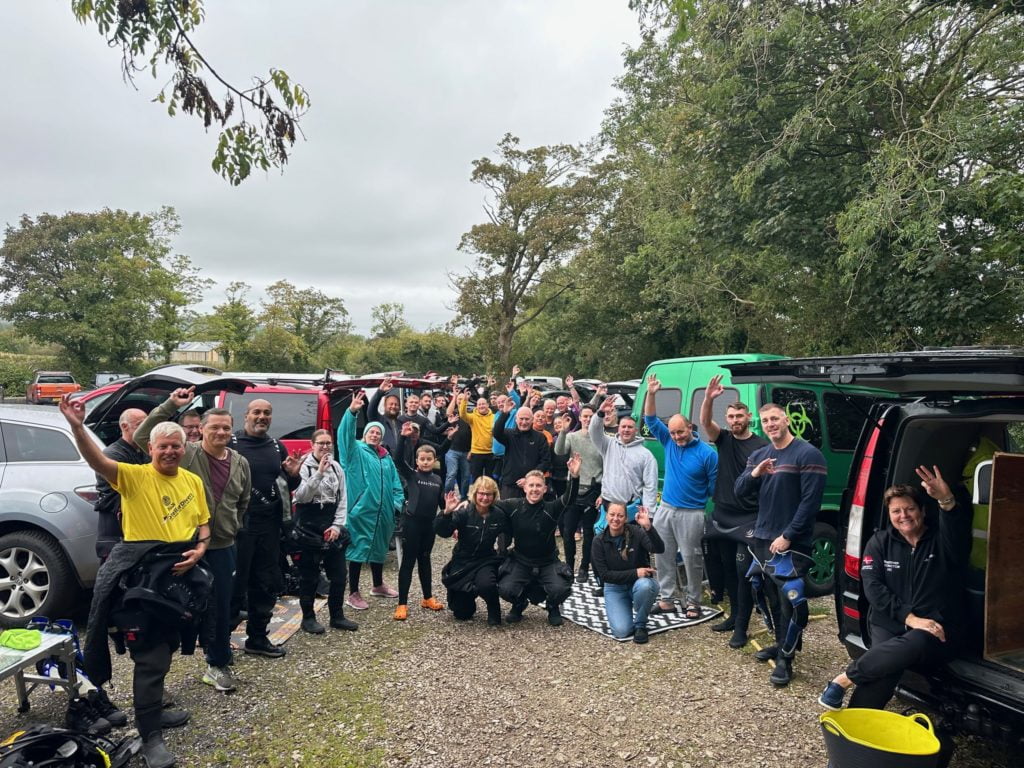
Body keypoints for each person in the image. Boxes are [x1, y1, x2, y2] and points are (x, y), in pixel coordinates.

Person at [61, 395, 209, 768]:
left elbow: (203, 521)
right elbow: (99, 461)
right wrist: (78, 427)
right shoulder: (135, 476)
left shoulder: (192, 480)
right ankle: (150, 736)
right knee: (150, 657)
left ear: (185, 446)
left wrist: (202, 548)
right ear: (150, 449)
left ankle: (154, 711)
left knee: (168, 645)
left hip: (178, 578)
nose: (170, 452)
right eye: (163, 446)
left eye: (176, 445)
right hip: (142, 580)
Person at [819, 468, 971, 711]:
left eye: (910, 508)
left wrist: (945, 499)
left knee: (917, 641)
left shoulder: (942, 540)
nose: (904, 515)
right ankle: (858, 728)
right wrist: (909, 618)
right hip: (888, 622)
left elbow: (958, 531)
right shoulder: (879, 543)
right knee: (885, 670)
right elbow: (873, 588)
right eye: (896, 511)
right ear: (889, 515)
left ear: (922, 510)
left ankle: (844, 679)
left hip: (936, 626)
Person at [135, 389, 252, 693]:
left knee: (222, 606)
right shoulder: (187, 453)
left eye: (226, 427)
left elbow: (243, 500)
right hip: (184, 545)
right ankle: (157, 676)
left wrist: (233, 524)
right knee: (174, 606)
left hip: (223, 545)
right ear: (201, 429)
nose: (221, 432)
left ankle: (218, 662)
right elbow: (142, 437)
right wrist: (172, 405)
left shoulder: (240, 462)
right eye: (214, 427)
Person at [735, 402, 827, 687]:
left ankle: (787, 659)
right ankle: (779, 641)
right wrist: (755, 474)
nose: (770, 424)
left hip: (791, 541)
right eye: (765, 421)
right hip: (763, 538)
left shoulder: (808, 454)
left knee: (792, 600)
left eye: (775, 418)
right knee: (766, 594)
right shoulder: (761, 455)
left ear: (786, 420)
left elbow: (810, 503)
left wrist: (788, 535)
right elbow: (739, 491)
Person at [699, 376, 768, 649]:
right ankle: (735, 617)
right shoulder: (724, 439)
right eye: (731, 416)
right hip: (722, 513)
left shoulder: (762, 447)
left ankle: (741, 627)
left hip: (748, 518)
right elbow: (705, 423)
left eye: (739, 415)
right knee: (727, 568)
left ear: (749, 416)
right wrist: (708, 398)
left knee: (742, 571)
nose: (735, 419)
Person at [229, 399, 301, 659]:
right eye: (257, 412)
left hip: (269, 526)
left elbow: (287, 484)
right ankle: (219, 646)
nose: (262, 417)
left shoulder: (275, 446)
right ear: (246, 415)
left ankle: (257, 638)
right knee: (234, 586)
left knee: (266, 582)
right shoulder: (231, 444)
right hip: (239, 527)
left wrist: (294, 475)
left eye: (267, 413)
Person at [643, 375, 718, 620]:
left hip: (692, 513)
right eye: (673, 433)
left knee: (691, 559)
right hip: (665, 508)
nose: (677, 437)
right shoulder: (668, 442)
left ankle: (693, 602)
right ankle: (666, 599)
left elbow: (713, 487)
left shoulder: (708, 453)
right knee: (662, 555)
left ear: (690, 428)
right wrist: (651, 393)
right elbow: (650, 419)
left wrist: (697, 502)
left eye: (680, 432)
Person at [497, 454, 582, 626]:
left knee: (561, 588)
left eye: (538, 486)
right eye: (531, 485)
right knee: (505, 588)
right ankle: (519, 603)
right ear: (524, 488)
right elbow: (489, 504)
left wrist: (574, 476)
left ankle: (552, 606)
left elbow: (569, 498)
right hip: (520, 560)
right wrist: (467, 505)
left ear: (545, 489)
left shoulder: (552, 507)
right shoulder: (513, 506)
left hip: (547, 561)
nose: (535, 489)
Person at [338, 390, 404, 610]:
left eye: (378, 432)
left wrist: (396, 503)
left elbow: (396, 483)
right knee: (357, 550)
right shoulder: (354, 451)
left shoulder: (385, 457)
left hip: (384, 512)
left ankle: (377, 585)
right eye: (371, 432)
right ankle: (353, 592)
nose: (374, 435)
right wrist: (352, 412)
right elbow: (344, 436)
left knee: (379, 548)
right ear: (365, 434)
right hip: (361, 510)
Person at [292, 429, 359, 634]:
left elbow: (343, 498)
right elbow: (301, 497)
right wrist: (319, 473)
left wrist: (338, 525)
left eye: (328, 443)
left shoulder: (337, 467)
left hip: (331, 523)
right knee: (309, 576)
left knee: (339, 574)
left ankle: (336, 616)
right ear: (312, 445)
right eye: (320, 443)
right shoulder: (304, 467)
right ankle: (308, 618)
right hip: (308, 523)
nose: (325, 447)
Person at [433, 478, 510, 625]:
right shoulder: (464, 512)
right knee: (461, 612)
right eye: (481, 493)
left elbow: (510, 532)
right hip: (462, 560)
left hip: (485, 559)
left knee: (486, 584)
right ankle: (468, 592)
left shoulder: (499, 515)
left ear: (494, 496)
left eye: (489, 494)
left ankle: (494, 609)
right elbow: (443, 531)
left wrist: (506, 555)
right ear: (474, 494)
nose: (485, 498)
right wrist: (447, 512)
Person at [591, 503, 664, 643]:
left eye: (620, 515)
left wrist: (648, 527)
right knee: (621, 631)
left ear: (625, 518)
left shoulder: (636, 532)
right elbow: (605, 576)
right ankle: (628, 609)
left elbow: (659, 549)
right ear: (606, 516)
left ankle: (641, 624)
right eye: (612, 515)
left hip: (639, 583)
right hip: (614, 587)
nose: (615, 519)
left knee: (646, 586)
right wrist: (636, 572)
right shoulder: (598, 541)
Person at [393, 439, 446, 620]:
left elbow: (443, 505)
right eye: (422, 459)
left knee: (425, 560)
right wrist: (403, 437)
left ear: (434, 460)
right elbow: (398, 459)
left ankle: (427, 597)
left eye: (428, 459)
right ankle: (402, 604)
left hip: (429, 526)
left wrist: (452, 523)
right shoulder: (412, 476)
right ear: (417, 461)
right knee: (408, 563)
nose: (425, 462)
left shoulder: (438, 479)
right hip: (412, 524)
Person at [554, 404, 603, 583]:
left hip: (594, 488)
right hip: (574, 487)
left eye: (591, 416)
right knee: (568, 531)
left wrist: (602, 492)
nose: (588, 419)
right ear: (580, 418)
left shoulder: (602, 439)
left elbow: (607, 467)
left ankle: (584, 566)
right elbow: (559, 451)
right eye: (585, 416)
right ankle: (568, 564)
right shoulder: (573, 437)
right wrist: (563, 431)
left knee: (589, 531)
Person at [93, 408, 148, 559]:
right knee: (113, 577)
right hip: (115, 530)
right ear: (125, 427)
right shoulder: (112, 455)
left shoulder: (144, 451)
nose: (146, 429)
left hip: (138, 528)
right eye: (141, 425)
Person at [493, 401, 551, 500]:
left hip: (532, 486)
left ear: (532, 420)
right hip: (510, 485)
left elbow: (545, 461)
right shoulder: (509, 435)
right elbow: (496, 432)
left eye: (527, 419)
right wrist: (505, 414)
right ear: (516, 419)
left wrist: (529, 479)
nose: (524, 422)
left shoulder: (540, 438)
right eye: (521, 419)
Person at [457, 389, 495, 481]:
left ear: (487, 405)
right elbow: (462, 414)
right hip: (477, 453)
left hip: (491, 453)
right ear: (476, 406)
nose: (481, 406)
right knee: (476, 479)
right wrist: (465, 400)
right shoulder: (473, 417)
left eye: (483, 404)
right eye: (479, 404)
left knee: (490, 479)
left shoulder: (494, 417)